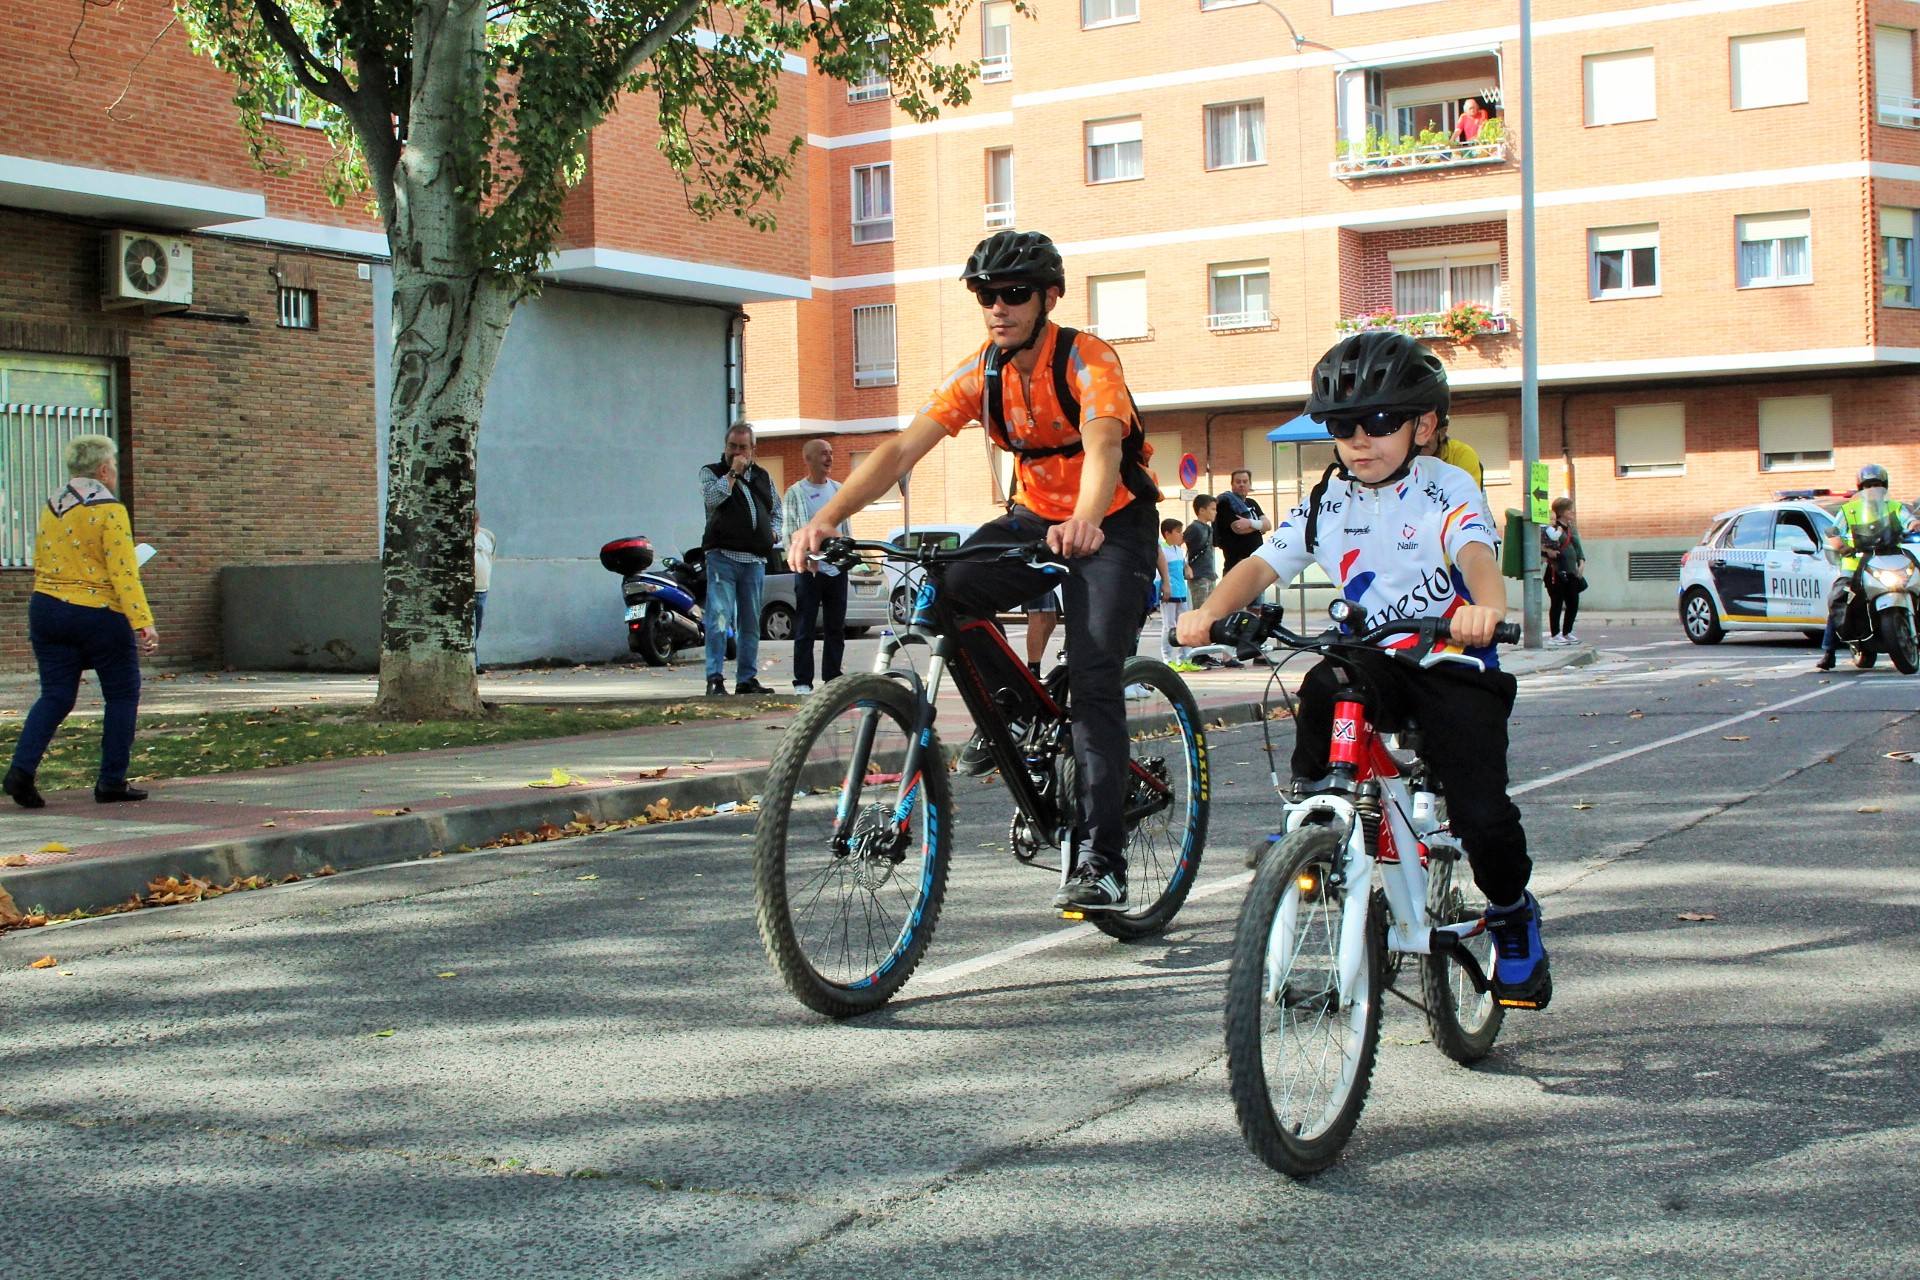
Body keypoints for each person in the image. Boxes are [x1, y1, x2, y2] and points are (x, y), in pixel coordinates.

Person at [787, 229, 1161, 913]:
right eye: (987, 295)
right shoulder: (982, 373)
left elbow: (1105, 442)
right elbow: (901, 450)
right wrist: (827, 517)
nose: (999, 306)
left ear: (1050, 296)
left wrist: (1084, 518)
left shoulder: (1086, 358)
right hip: (1033, 517)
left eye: (1014, 293)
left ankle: (1103, 863)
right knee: (945, 590)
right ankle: (1019, 718)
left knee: (1096, 680)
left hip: (1110, 522)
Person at [1178, 330, 1550, 1009]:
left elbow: (1474, 555)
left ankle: (1513, 914)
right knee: (1326, 678)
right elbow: (1262, 564)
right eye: (1343, 425)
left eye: (1379, 421)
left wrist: (1488, 609)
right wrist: (1208, 612)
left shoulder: (1446, 486)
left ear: (1424, 424)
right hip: (1375, 659)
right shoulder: (1329, 499)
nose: (1359, 438)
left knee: (1483, 818)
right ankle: (1317, 815)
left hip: (1451, 661)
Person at [4, 435, 159, 809]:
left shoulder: (51, 506)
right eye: (115, 467)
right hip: (97, 612)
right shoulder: (110, 510)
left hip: (47, 607)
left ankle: (20, 771)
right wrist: (143, 621)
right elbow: (124, 572)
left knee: (56, 694)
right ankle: (111, 781)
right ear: (104, 469)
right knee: (121, 694)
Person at [1816, 464, 1920, 671]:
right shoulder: (1849, 510)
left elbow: (1908, 520)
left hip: (1890, 557)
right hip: (1855, 563)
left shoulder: (1895, 507)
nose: (1873, 489)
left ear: (1885, 486)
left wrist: (1913, 524)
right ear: (1860, 488)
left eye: (1877, 485)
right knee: (1838, 598)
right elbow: (1833, 532)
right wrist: (1839, 543)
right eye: (1868, 485)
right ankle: (1829, 651)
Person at [700, 422, 778, 697]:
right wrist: (733, 473)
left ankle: (747, 679)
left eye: (742, 447)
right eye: (732, 446)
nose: (737, 451)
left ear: (753, 449)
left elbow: (776, 510)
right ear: (725, 447)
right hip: (722, 556)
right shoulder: (712, 472)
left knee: (750, 621)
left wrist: (774, 531)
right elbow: (712, 500)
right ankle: (715, 678)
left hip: (754, 559)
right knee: (720, 617)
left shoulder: (763, 477)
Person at [779, 438, 850, 694]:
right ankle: (803, 681)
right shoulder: (795, 493)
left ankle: (832, 678)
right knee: (805, 627)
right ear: (808, 459)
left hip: (835, 570)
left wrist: (847, 560)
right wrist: (804, 558)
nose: (828, 458)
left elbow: (845, 529)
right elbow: (788, 533)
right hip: (809, 571)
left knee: (836, 628)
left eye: (830, 453)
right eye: (822, 454)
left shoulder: (840, 490)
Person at [1540, 497, 1585, 646]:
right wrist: (1546, 552)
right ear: (1561, 512)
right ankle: (1555, 634)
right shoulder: (1552, 528)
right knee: (1557, 602)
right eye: (1569, 509)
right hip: (1556, 571)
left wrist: (1581, 562)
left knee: (1573, 602)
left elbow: (1577, 545)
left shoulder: (1570, 527)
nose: (1572, 511)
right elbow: (1542, 544)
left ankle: (1567, 632)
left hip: (1571, 570)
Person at [1213, 469, 1269, 573]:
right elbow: (1238, 528)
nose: (1242, 484)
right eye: (1238, 482)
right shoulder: (1225, 503)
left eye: (1245, 481)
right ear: (1232, 484)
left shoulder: (1252, 502)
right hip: (1236, 564)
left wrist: (1249, 523)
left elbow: (1268, 525)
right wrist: (1259, 526)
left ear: (1250, 484)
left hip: (1256, 562)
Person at [1158, 518, 1193, 667]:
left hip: (1181, 593)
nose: (1181, 535)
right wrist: (1164, 587)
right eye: (1178, 532)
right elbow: (1159, 572)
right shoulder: (1162, 550)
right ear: (1167, 533)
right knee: (1169, 626)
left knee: (1183, 625)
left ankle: (1184, 659)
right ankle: (1168, 658)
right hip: (1169, 594)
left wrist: (1187, 568)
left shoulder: (1179, 550)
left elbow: (1184, 566)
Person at [1420, 417, 1485, 490]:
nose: (1420, 439)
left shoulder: (1462, 454)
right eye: (1416, 431)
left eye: (1429, 432)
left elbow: (1468, 495)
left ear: (1442, 433)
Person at [1185, 494, 1218, 611]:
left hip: (1209, 574)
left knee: (1209, 611)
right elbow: (1181, 547)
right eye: (1213, 509)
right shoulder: (1194, 528)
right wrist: (1186, 566)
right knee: (1200, 611)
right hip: (1198, 576)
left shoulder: (1208, 528)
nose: (1215, 512)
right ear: (1202, 510)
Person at [473, 512, 496, 674]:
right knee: (468, 628)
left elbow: (491, 558)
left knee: (477, 626)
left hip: (482, 589)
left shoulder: (488, 536)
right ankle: (474, 663)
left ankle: (473, 660)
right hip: (465, 590)